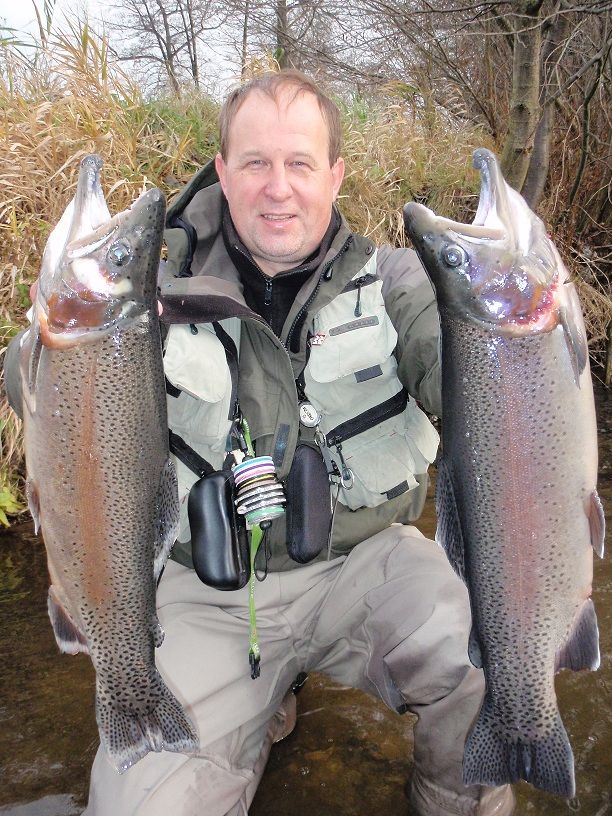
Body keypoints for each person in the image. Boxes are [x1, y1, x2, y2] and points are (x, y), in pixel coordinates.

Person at [4, 70, 515, 816]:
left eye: (300, 163)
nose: (279, 188)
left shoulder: (399, 282)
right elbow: (44, 408)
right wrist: (44, 344)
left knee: (496, 659)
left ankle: (452, 802)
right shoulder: (146, 294)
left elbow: (464, 377)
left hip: (363, 564)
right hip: (203, 594)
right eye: (255, 163)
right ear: (222, 170)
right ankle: (258, 708)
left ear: (335, 174)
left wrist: (506, 339)